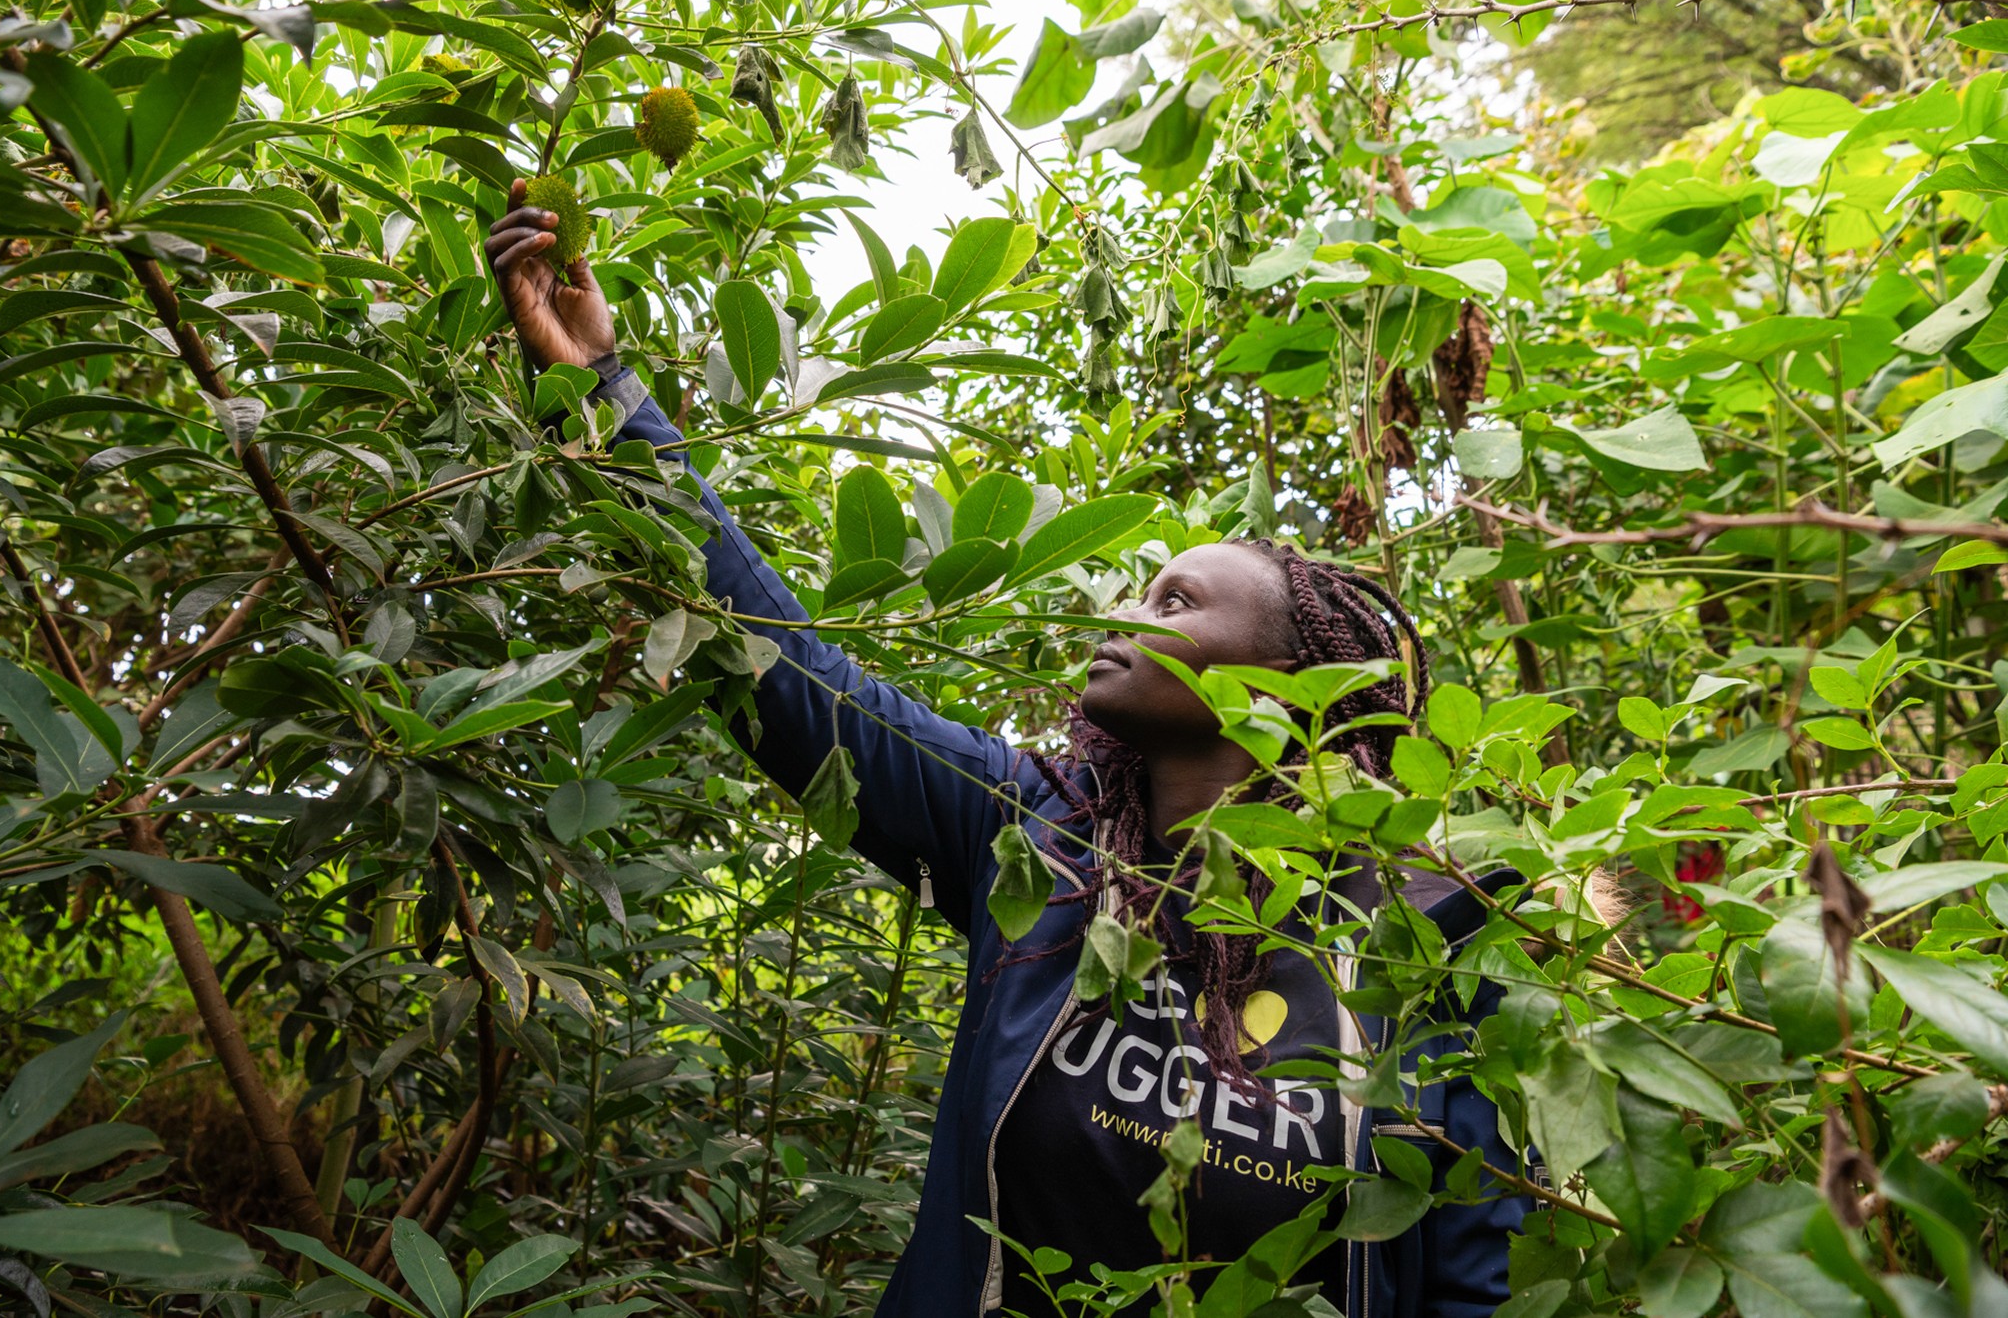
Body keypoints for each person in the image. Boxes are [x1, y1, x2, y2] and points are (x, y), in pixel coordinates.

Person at [485, 180, 1532, 1318]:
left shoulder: (1423, 943)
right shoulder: (1035, 838)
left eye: (1174, 601)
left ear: (1283, 683)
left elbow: (1469, 1280)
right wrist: (605, 389)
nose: (1120, 614)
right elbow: (786, 675)